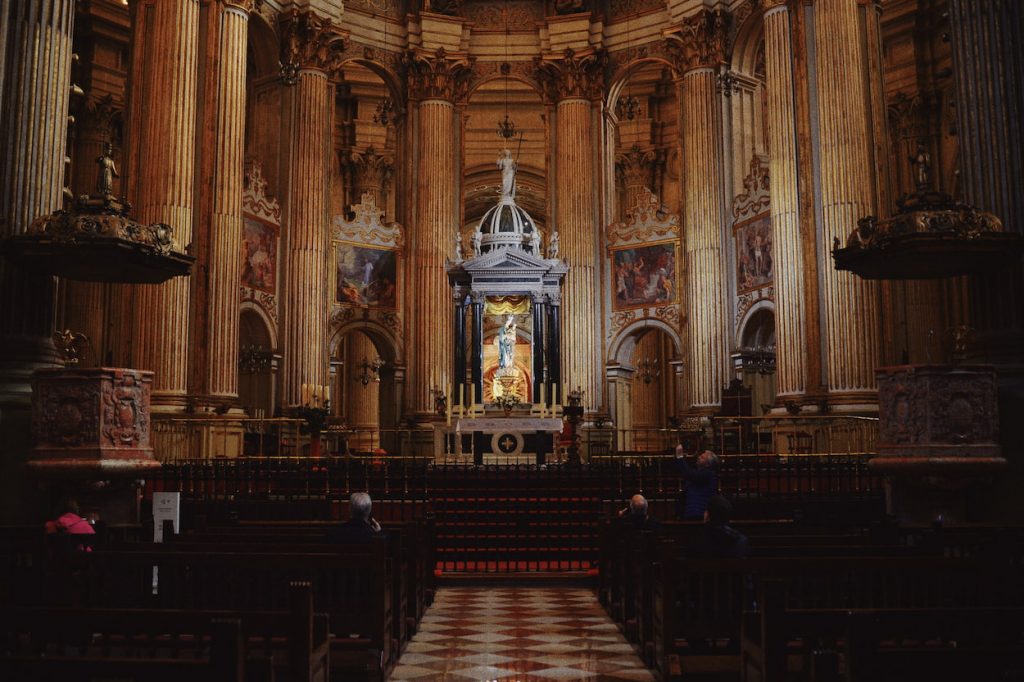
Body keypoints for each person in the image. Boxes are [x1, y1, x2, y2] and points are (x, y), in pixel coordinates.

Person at [675, 446, 719, 520]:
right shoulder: (700, 473)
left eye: (702, 457)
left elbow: (688, 473)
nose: (698, 457)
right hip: (692, 513)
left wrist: (680, 457)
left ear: (708, 464)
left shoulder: (709, 474)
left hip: (700, 514)